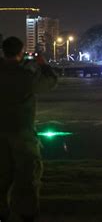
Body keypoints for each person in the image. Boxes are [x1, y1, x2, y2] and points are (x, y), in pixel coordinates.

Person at [0, 37, 58, 222]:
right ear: (21, 52)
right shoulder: (26, 77)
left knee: (2, 176)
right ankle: (26, 214)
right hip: (22, 133)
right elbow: (50, 81)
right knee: (27, 176)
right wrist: (42, 64)